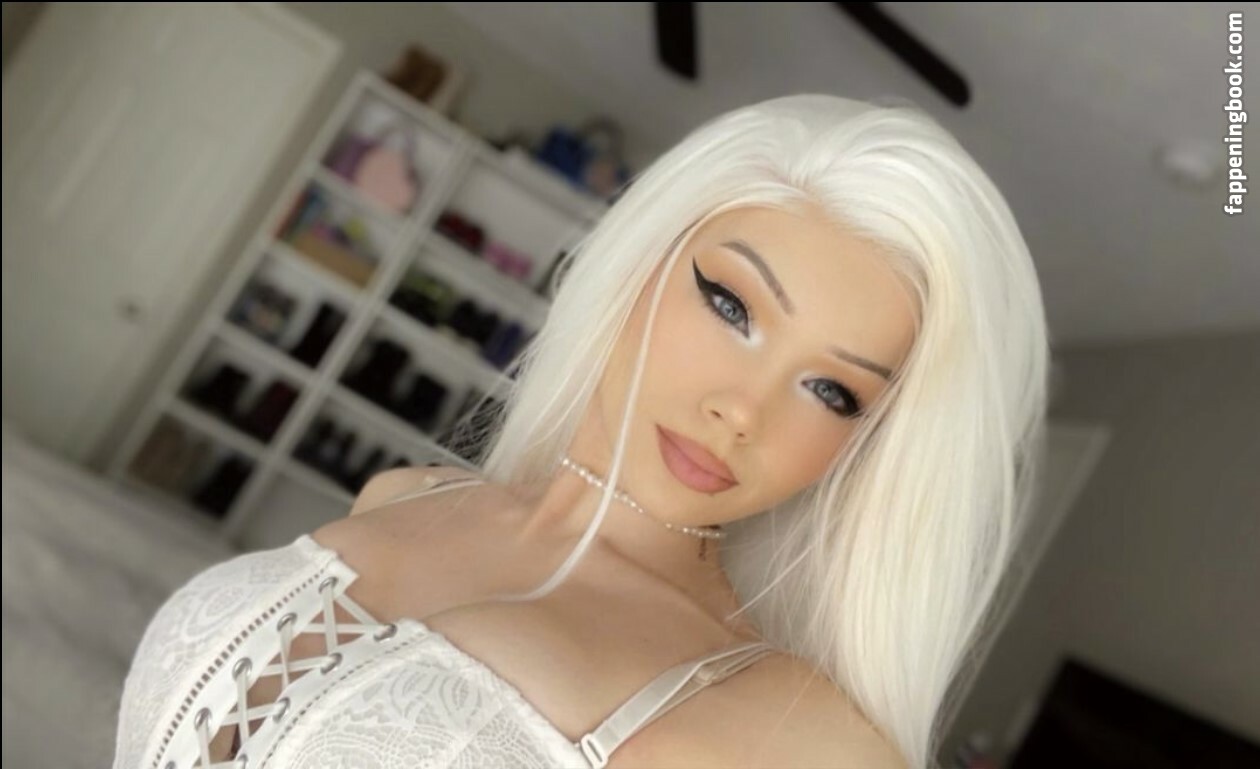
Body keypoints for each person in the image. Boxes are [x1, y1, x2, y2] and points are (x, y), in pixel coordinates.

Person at [114, 92, 1048, 769]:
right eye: (731, 304)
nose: (743, 408)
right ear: (637, 263)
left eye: (833, 391)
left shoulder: (793, 734)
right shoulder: (405, 496)